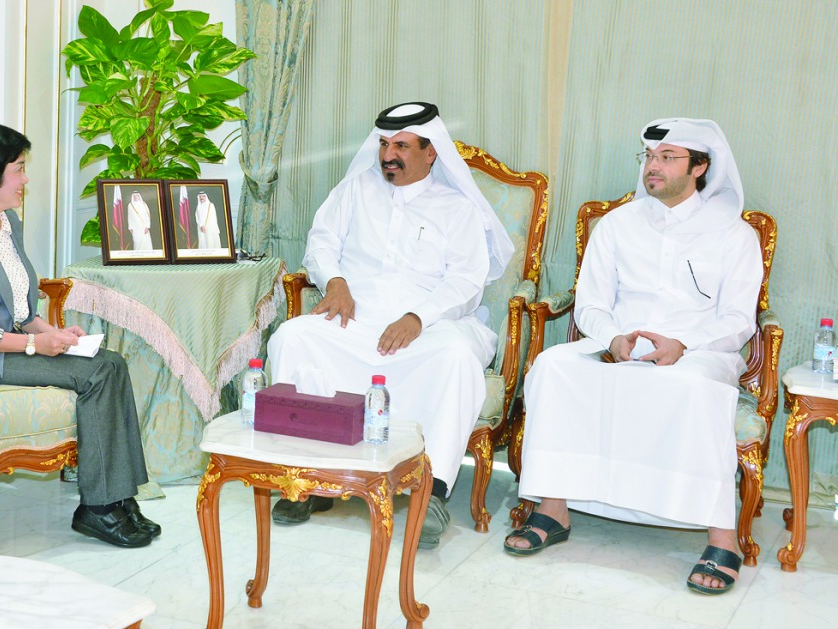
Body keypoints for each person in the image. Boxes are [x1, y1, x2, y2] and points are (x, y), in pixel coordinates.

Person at [506, 118, 763, 596]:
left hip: (700, 349)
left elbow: (738, 320)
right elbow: (591, 303)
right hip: (620, 342)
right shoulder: (619, 224)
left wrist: (682, 345)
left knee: (691, 387)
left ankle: (721, 536)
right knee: (553, 367)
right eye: (649, 157)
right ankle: (552, 509)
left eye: (668, 158)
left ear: (701, 167)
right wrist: (613, 339)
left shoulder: (734, 234)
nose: (654, 167)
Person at [266, 102, 513, 549]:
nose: (387, 155)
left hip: (432, 324)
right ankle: (305, 481)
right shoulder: (355, 190)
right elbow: (321, 243)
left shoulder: (457, 209)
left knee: (456, 358)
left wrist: (418, 318)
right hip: (355, 318)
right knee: (293, 337)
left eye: (400, 145)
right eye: (383, 144)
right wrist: (335, 283)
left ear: (430, 152)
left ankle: (431, 491)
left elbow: (467, 281)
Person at [0, 120, 159, 549]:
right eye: (18, 169)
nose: (25, 179)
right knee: (97, 374)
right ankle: (99, 509)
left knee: (112, 362)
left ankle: (120, 498)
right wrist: (35, 344)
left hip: (11, 342)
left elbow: (19, 308)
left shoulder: (5, 222)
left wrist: (53, 332)